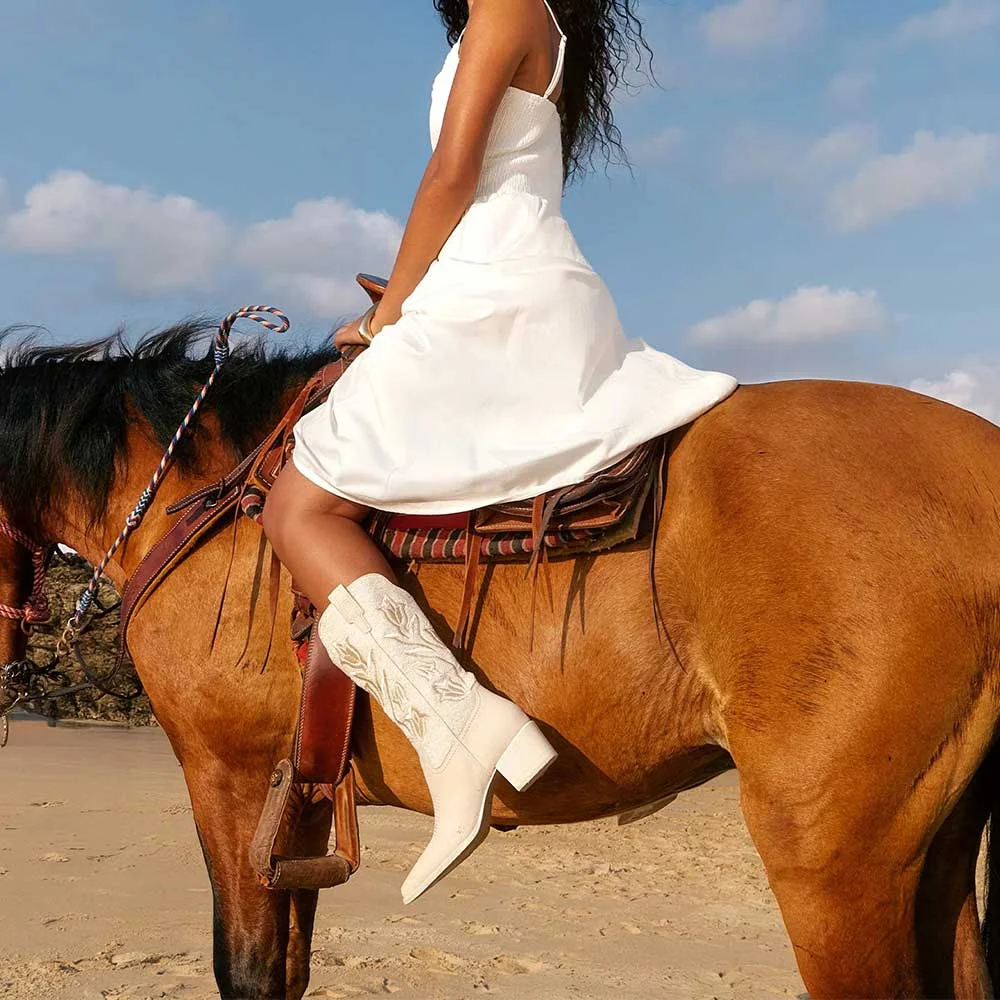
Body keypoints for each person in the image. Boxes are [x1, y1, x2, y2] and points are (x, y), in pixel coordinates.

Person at [261, 0, 737, 904]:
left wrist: (386, 314)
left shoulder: (506, 7)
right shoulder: (531, 14)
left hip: (489, 292)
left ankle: (458, 726)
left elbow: (450, 175)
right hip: (516, 279)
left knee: (297, 504)